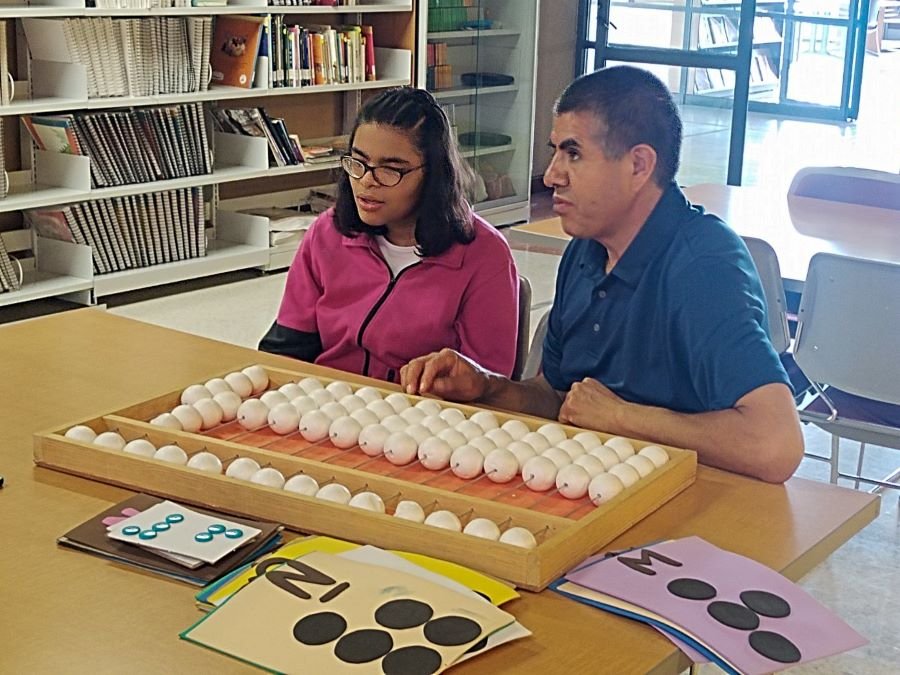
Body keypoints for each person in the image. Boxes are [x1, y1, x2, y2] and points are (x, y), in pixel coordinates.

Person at [400, 66, 804, 484]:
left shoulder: (702, 266)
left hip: (692, 505)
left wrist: (621, 417)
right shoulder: (585, 251)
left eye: (573, 154)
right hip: (594, 484)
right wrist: (485, 387)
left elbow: (775, 445)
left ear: (638, 165)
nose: (552, 174)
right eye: (555, 151)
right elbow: (560, 398)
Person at [259, 87, 519, 384]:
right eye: (358, 163)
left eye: (391, 169)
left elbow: (489, 387)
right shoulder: (328, 233)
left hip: (420, 415)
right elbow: (286, 348)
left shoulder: (483, 254)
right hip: (326, 404)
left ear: (433, 174)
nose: (367, 182)